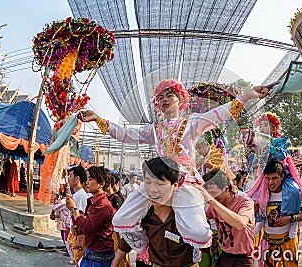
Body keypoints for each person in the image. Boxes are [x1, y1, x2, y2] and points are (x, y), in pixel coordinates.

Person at [80, 79, 269, 254]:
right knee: (120, 219)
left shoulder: (192, 122)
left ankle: (192, 252)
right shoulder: (154, 128)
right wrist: (98, 119)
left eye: (169, 95)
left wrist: (249, 95)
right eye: (160, 97)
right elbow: (126, 134)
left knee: (200, 234)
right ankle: (146, 247)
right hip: (158, 179)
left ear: (181, 99)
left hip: (184, 179)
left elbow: (220, 114)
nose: (164, 100)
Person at [112, 157, 204, 267]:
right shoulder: (143, 215)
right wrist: (115, 263)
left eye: (160, 184)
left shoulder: (187, 215)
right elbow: (128, 239)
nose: (153, 189)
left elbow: (204, 239)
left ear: (174, 185)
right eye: (148, 182)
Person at [257, 160, 302, 267]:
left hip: (288, 240)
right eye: (267, 179)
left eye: (274, 178)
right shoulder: (262, 194)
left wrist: (290, 219)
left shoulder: (292, 193)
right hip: (269, 240)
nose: (270, 182)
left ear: (282, 177)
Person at [199, 169, 255, 267]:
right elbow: (201, 217)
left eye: (214, 192)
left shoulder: (245, 203)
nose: (212, 197)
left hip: (242, 259)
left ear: (226, 189)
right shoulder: (215, 207)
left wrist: (212, 202)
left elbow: (240, 224)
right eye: (209, 194)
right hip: (225, 256)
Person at [66, 166, 115, 267]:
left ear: (102, 183)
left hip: (99, 257)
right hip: (91, 253)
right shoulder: (93, 202)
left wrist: (74, 209)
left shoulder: (102, 206)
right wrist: (79, 230)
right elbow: (88, 225)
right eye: (87, 179)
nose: (87, 182)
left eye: (91, 179)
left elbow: (87, 228)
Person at [68, 165, 90, 266]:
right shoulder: (77, 194)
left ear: (77, 179)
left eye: (70, 175)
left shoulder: (81, 195)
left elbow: (80, 216)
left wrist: (79, 238)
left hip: (79, 234)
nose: (68, 178)